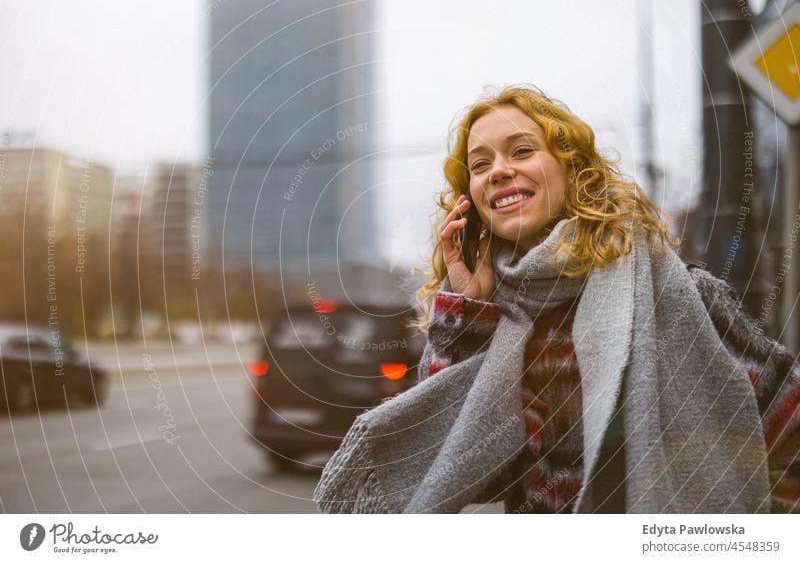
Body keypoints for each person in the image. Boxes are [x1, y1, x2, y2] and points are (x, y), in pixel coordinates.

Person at [314, 85, 800, 514]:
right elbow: (471, 473)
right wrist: (468, 311)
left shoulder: (680, 296)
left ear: (571, 170)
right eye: (480, 165)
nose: (498, 171)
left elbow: (789, 433)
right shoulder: (499, 319)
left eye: (521, 151)